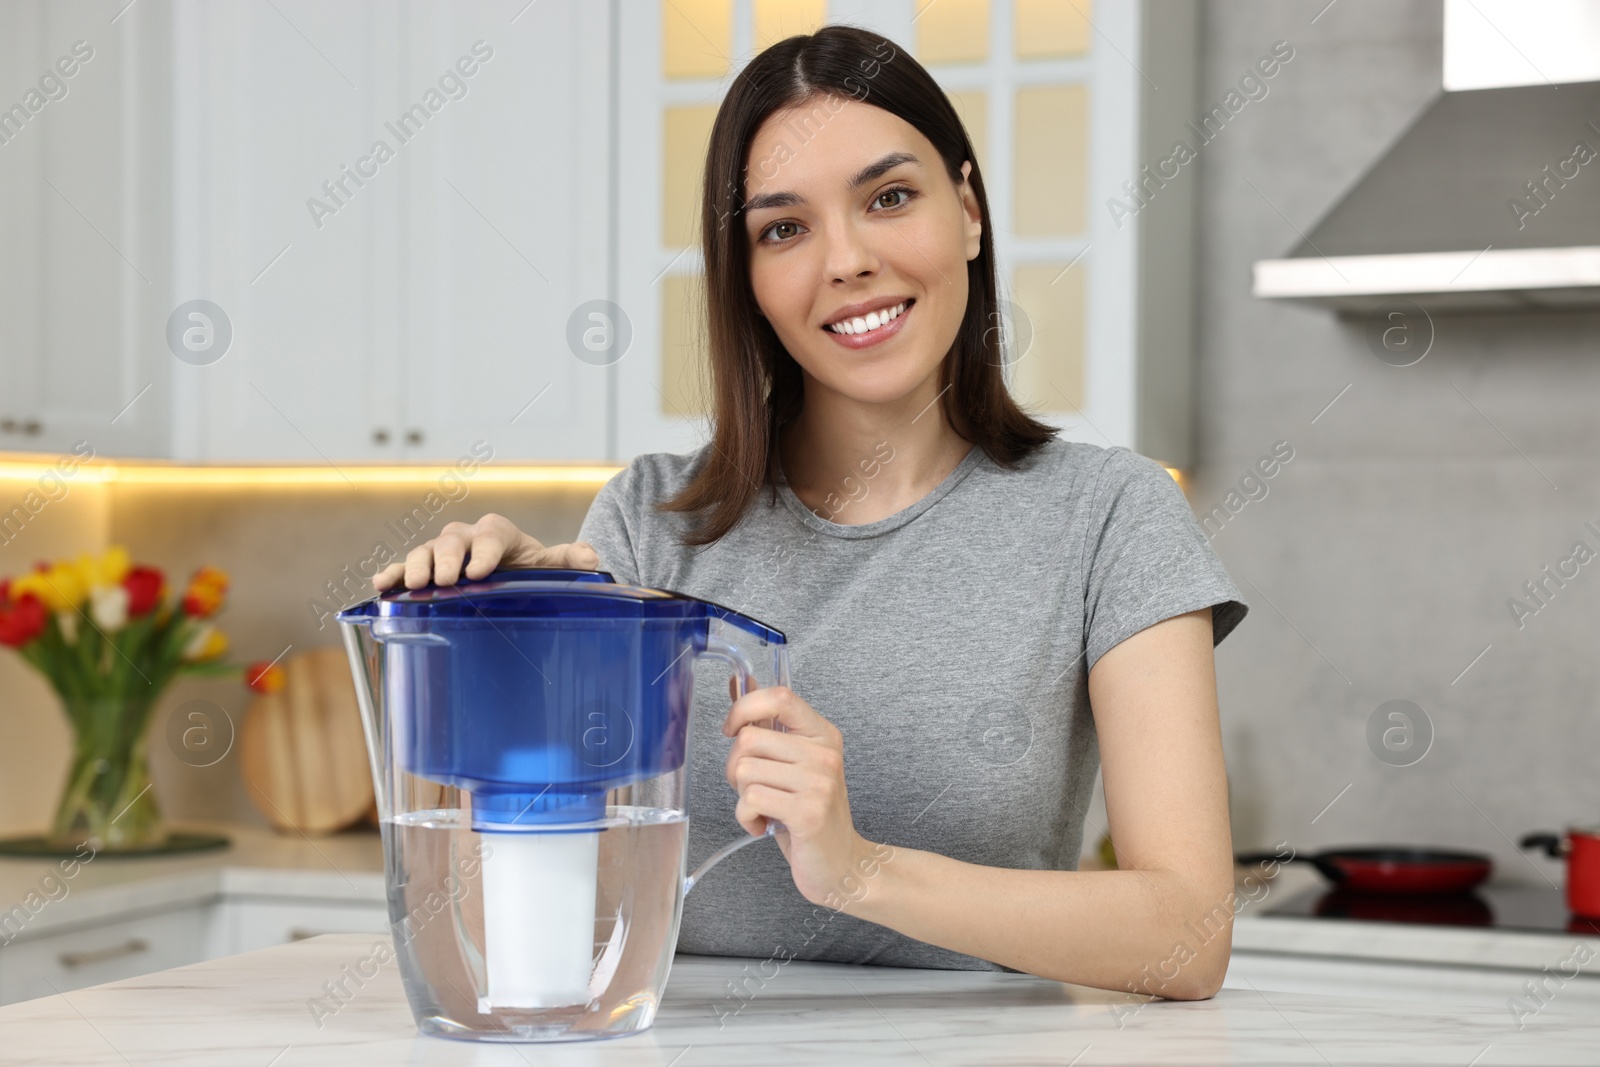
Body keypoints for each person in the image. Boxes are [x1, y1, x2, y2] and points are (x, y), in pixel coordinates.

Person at [374, 25, 1247, 1000]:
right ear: (746, 278)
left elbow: (1186, 933)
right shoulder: (647, 521)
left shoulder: (1111, 515)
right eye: (783, 228)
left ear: (966, 211)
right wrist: (499, 655)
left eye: (889, 197)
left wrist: (859, 867)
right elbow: (522, 943)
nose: (847, 259)